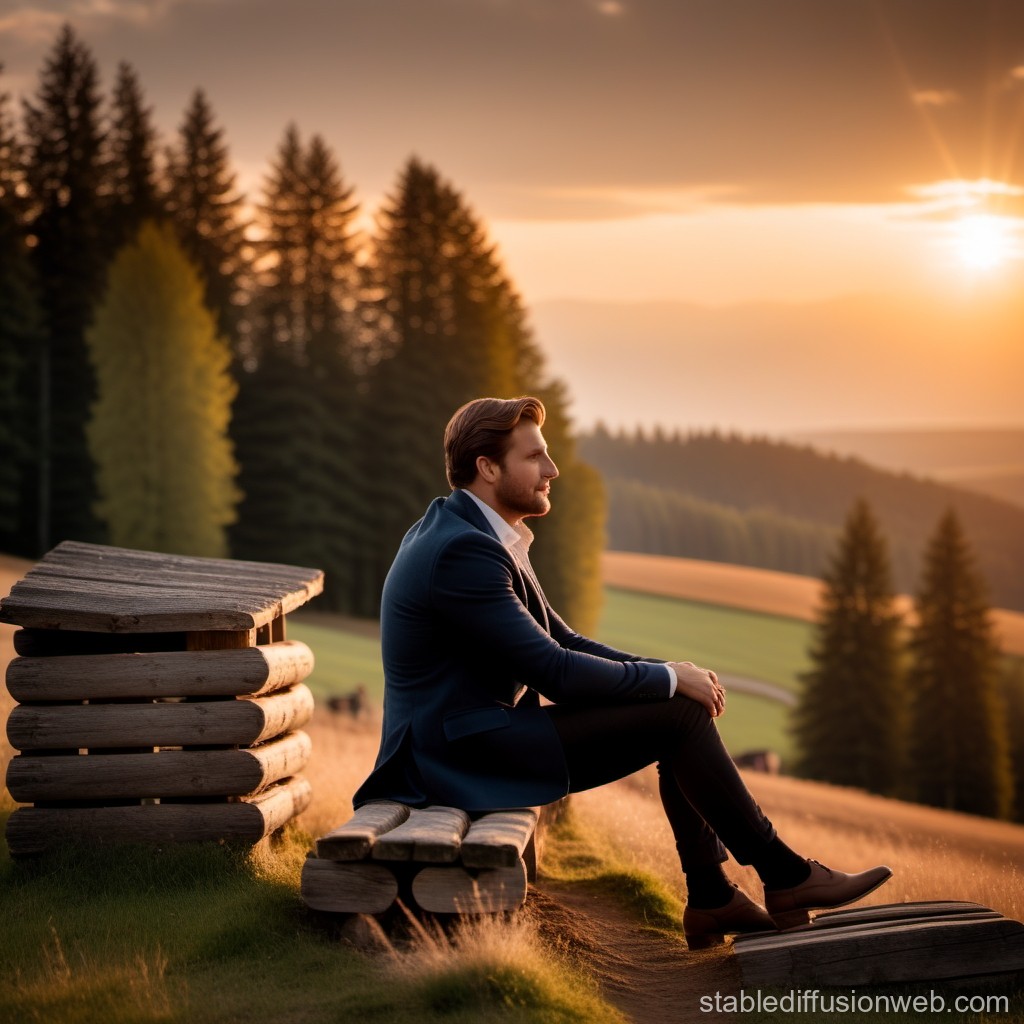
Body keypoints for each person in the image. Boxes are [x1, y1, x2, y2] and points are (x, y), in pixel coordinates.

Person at [353, 396, 891, 947]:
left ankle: (716, 896)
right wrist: (667, 681)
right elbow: (553, 671)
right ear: (488, 469)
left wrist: (669, 671)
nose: (552, 470)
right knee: (678, 717)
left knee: (678, 711)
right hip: (449, 758)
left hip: (464, 738)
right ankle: (779, 877)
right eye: (535, 457)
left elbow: (563, 639)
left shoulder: (479, 532)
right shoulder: (464, 549)